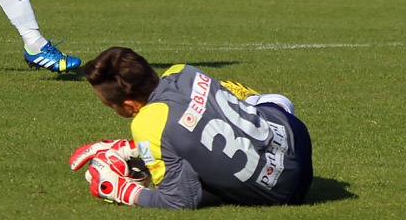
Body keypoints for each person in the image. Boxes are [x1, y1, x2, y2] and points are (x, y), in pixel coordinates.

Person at [69, 46, 313, 209]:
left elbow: (181, 198)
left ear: (129, 104)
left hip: (285, 191)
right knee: (260, 102)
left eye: (110, 105)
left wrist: (121, 190)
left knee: (180, 153)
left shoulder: (146, 123)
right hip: (293, 134)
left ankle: (142, 150)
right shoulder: (183, 71)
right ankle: (260, 101)